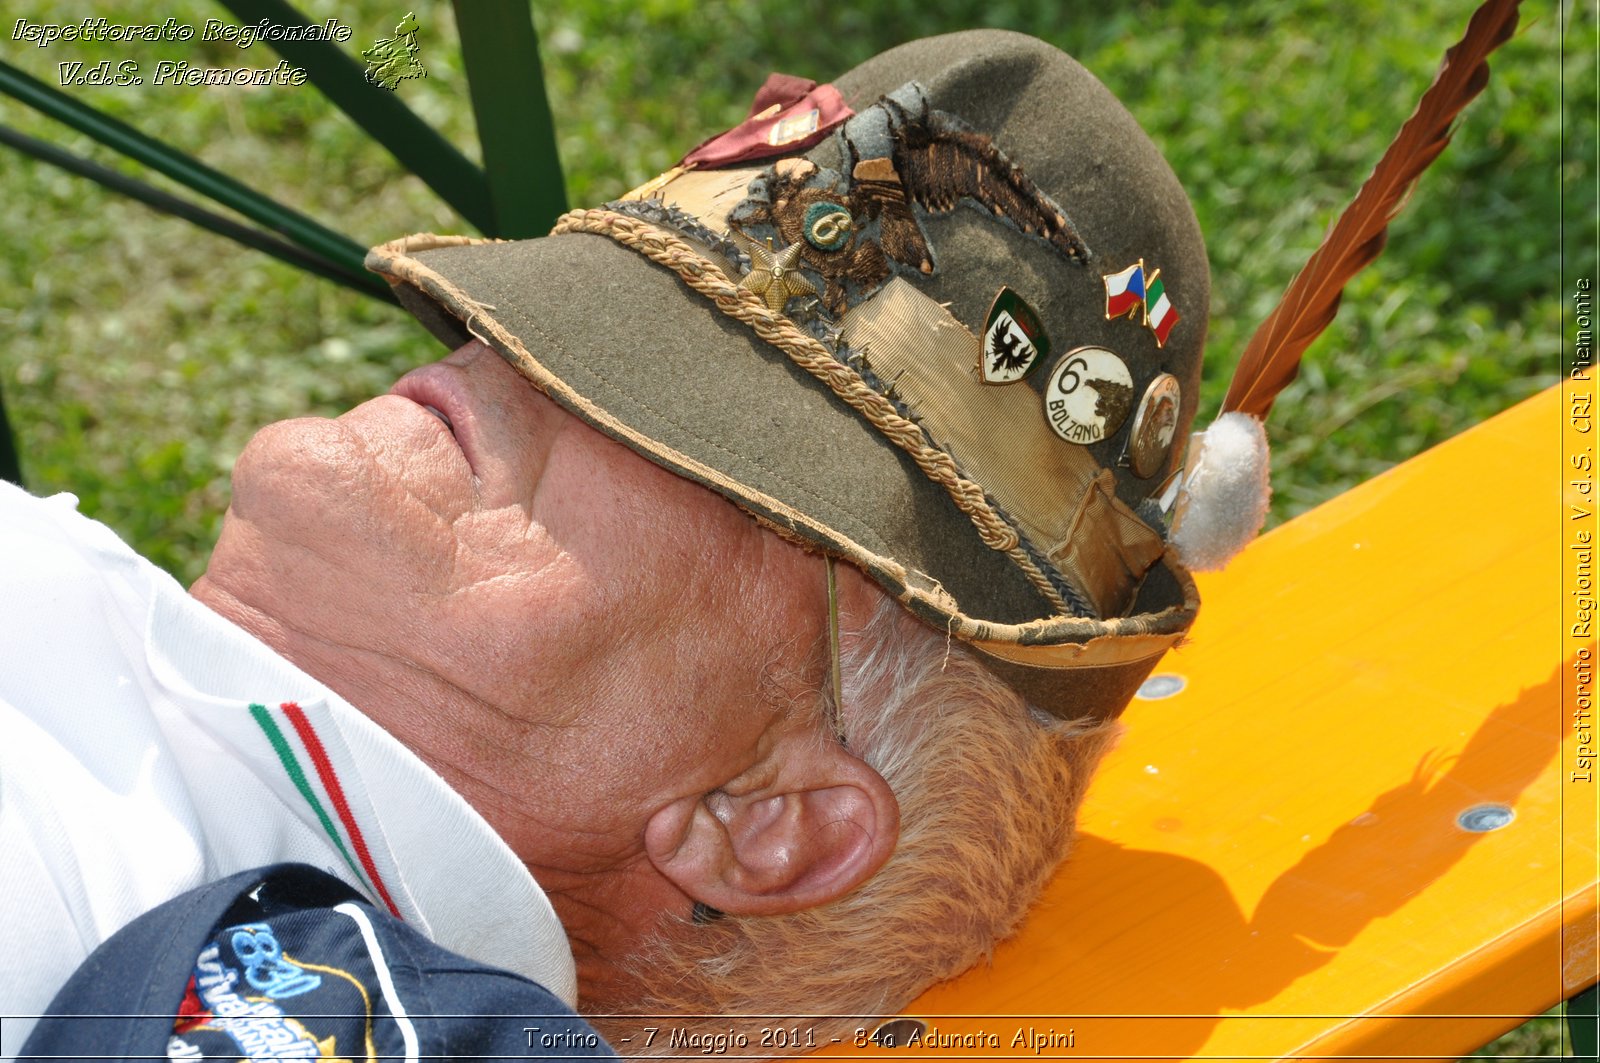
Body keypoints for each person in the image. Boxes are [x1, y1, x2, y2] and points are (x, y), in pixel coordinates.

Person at [1, 28, 1209, 1057]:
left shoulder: (240, 982)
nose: (501, 350)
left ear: (758, 814)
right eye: (561, 309)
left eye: (674, 406)